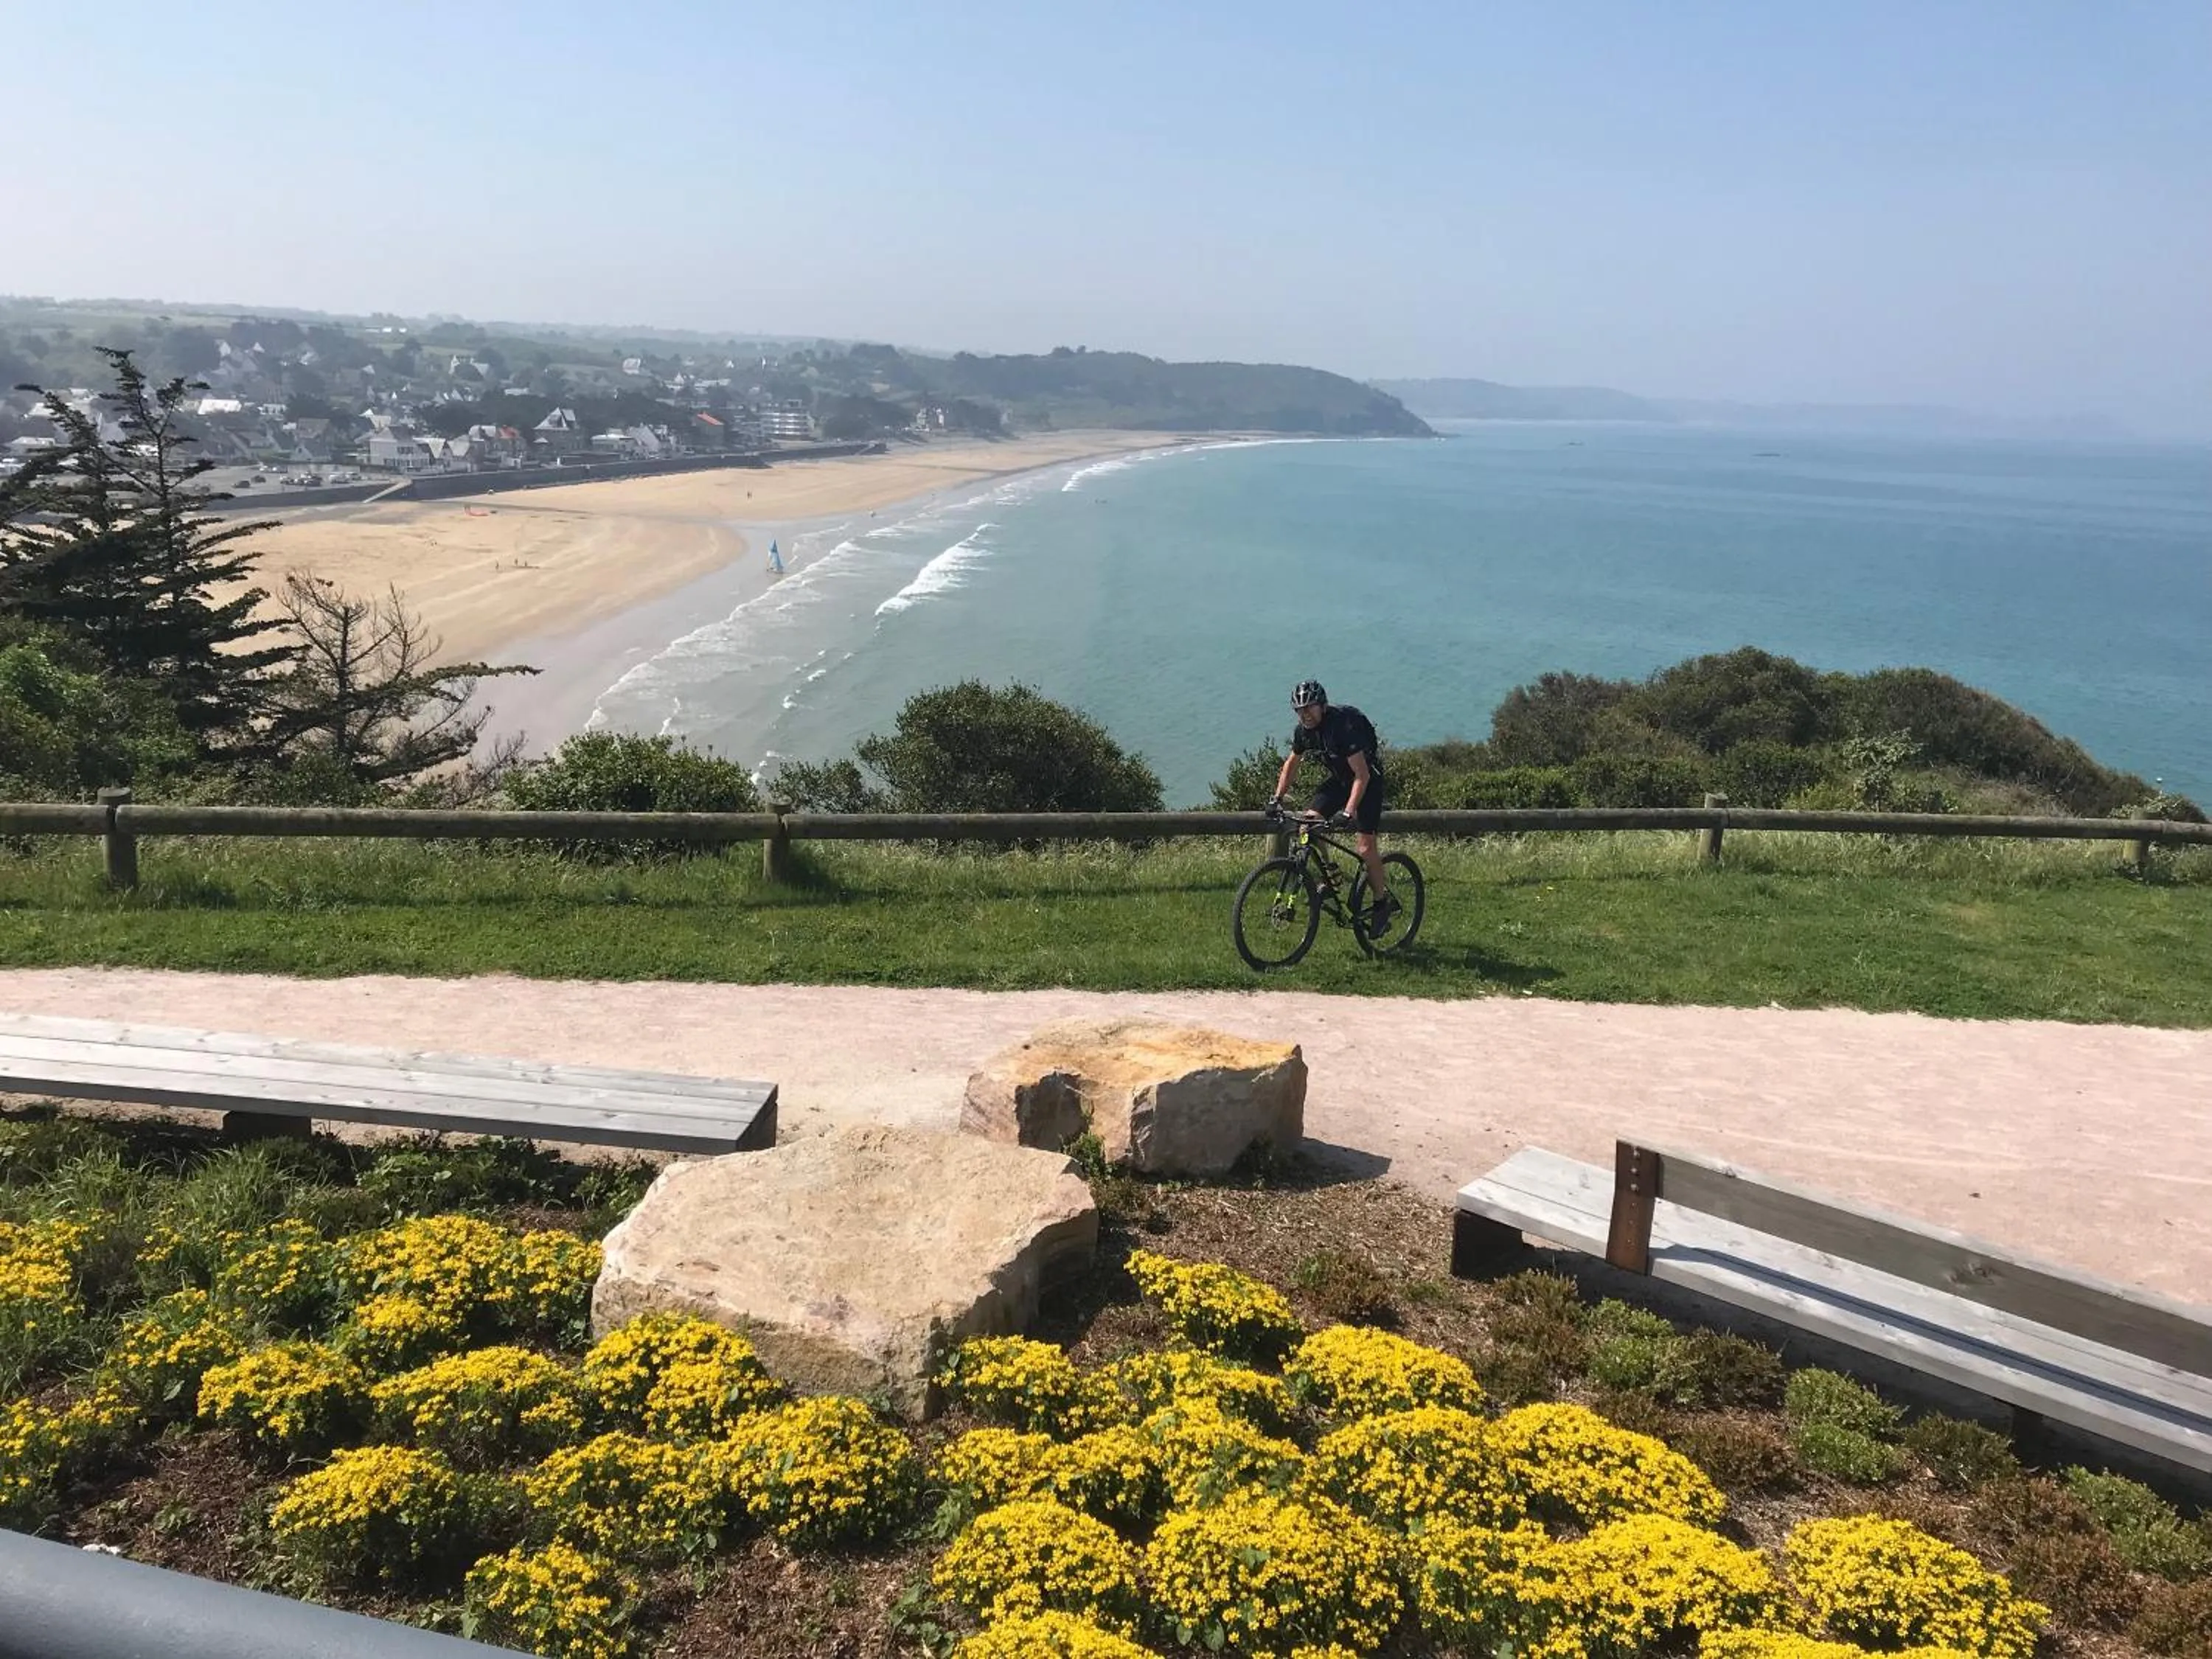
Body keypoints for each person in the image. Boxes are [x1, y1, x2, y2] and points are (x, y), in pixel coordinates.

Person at [1270, 679, 1395, 927]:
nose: (1304, 714)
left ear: (1323, 706)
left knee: (1365, 848)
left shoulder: (1342, 727)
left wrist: (1348, 813)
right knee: (1308, 824)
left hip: (1367, 782)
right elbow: (1291, 765)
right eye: (1299, 710)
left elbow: (1362, 775)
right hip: (1340, 781)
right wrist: (1277, 798)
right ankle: (1330, 878)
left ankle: (1383, 902)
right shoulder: (1303, 732)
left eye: (1310, 708)